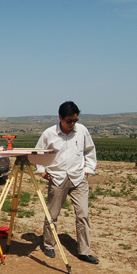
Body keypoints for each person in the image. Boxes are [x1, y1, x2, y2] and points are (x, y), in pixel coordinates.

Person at [35, 101, 99, 264]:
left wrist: (88, 169)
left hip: (78, 178)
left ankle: (84, 251)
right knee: (52, 214)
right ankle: (49, 245)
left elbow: (90, 150)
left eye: (74, 120)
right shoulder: (49, 133)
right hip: (57, 178)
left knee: (83, 214)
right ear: (60, 118)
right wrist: (42, 170)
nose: (72, 124)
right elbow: (38, 153)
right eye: (68, 121)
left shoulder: (82, 131)